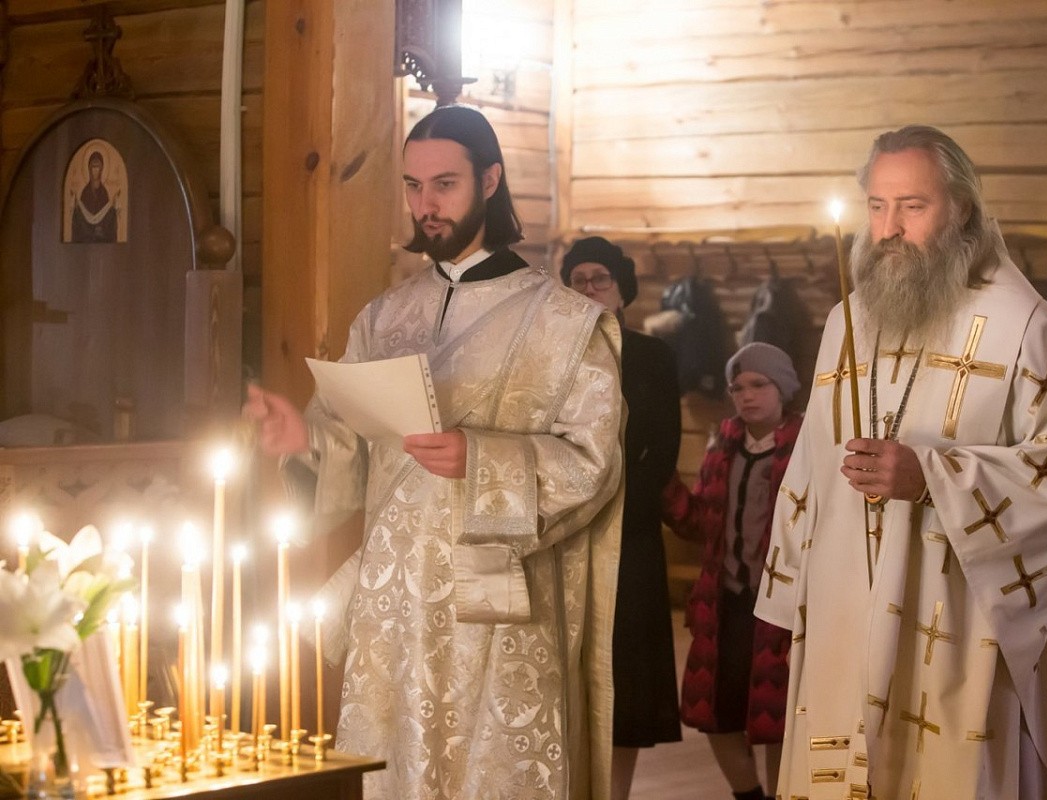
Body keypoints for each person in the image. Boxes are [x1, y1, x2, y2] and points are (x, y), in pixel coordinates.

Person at [243, 105, 624, 800]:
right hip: (394, 608)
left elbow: (594, 464)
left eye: (444, 184)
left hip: (497, 605)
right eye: (413, 186)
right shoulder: (383, 317)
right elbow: (351, 443)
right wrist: (306, 440)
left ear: (490, 180)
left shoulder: (565, 322)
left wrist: (481, 459)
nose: (426, 205)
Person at [755, 125, 1047, 798]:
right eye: (877, 205)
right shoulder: (847, 322)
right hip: (844, 604)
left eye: (912, 206)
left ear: (961, 209)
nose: (889, 228)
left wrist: (933, 478)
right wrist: (791, 581)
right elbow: (811, 464)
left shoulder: (1022, 324)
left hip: (954, 620)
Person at [560, 235, 684, 800]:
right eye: (578, 279)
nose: (589, 288)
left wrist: (616, 502)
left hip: (630, 535)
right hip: (565, 531)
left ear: (621, 288)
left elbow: (663, 448)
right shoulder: (552, 355)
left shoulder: (653, 356)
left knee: (626, 676)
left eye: (600, 279)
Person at [661, 342, 800, 800]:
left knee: (779, 719)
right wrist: (664, 486)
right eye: (737, 387)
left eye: (759, 384)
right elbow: (701, 523)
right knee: (717, 714)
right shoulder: (723, 445)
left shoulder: (805, 447)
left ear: (783, 387)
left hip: (782, 608)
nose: (747, 395)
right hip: (725, 604)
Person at [71, 150, 118, 243]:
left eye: (98, 167)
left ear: (101, 169)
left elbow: (106, 216)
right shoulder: (85, 192)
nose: (95, 170)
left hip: (102, 235)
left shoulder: (104, 192)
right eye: (93, 167)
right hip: (86, 236)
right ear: (89, 169)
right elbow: (82, 217)